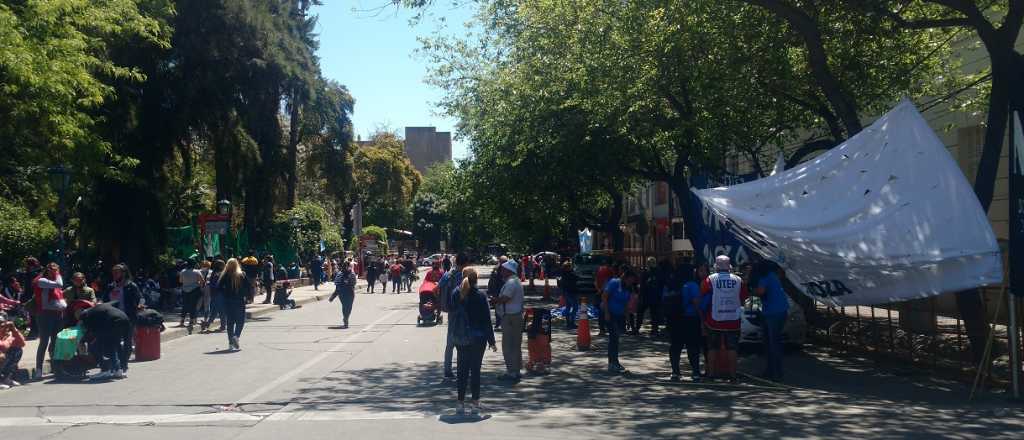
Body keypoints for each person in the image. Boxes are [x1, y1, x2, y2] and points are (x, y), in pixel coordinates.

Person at [450, 268, 497, 416]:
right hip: (478, 338)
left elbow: (451, 312)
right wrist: (492, 341)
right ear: (476, 279)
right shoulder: (481, 295)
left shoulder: (456, 293)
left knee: (461, 370)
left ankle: (460, 403)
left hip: (461, 336)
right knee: (475, 371)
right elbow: (486, 321)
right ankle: (475, 404)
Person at [700, 256, 748, 382]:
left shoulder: (710, 280)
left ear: (716, 266)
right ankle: (733, 376)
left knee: (712, 348)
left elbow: (702, 297)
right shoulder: (739, 280)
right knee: (732, 349)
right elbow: (743, 299)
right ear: (729, 266)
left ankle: (711, 375)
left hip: (713, 320)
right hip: (733, 320)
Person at [669, 264, 705, 382]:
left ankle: (675, 371)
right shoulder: (692, 285)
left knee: (675, 346)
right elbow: (696, 302)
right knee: (693, 346)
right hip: (690, 319)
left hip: (674, 319)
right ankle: (695, 372)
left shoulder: (672, 284)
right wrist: (702, 319)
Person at [78, 301, 131, 380]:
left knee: (95, 347)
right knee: (120, 344)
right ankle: (120, 368)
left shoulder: (88, 316)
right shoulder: (97, 309)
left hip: (113, 322)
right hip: (125, 319)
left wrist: (82, 341)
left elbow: (91, 332)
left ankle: (106, 370)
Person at [754, 261, 789, 381]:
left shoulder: (764, 277)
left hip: (773, 313)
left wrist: (751, 289)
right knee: (770, 342)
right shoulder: (772, 275)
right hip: (779, 311)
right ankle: (771, 370)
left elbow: (760, 292)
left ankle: (776, 373)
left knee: (772, 343)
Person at [32, 262, 65, 380]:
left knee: (56, 343)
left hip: (57, 315)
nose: (54, 273)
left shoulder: (52, 281)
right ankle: (38, 370)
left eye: (56, 270)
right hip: (44, 315)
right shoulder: (42, 281)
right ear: (47, 270)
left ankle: (57, 368)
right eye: (52, 270)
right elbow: (59, 284)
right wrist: (58, 274)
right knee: (44, 342)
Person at [494, 259, 524, 382]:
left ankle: (511, 371)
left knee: (508, 345)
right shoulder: (515, 281)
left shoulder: (511, 282)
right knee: (516, 345)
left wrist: (495, 300)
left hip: (510, 316)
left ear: (508, 270)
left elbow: (506, 298)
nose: (501, 271)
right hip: (515, 315)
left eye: (503, 269)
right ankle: (516, 370)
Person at [603, 268, 636, 374]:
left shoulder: (628, 288)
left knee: (616, 338)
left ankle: (615, 361)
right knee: (614, 337)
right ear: (625, 277)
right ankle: (612, 363)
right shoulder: (614, 283)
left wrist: (627, 319)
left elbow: (626, 304)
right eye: (630, 279)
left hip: (619, 315)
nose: (631, 282)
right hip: (610, 313)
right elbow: (605, 297)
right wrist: (607, 313)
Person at [220, 258, 249, 351]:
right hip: (239, 301)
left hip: (228, 301)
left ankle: (230, 344)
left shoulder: (224, 275)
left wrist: (225, 294)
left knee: (230, 322)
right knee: (240, 320)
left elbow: (219, 287)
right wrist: (247, 297)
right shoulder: (241, 275)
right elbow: (248, 287)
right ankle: (236, 336)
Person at [636, 258, 665, 337]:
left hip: (647, 296)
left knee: (641, 312)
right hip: (654, 296)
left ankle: (638, 328)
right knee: (654, 314)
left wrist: (640, 295)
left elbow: (642, 285)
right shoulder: (659, 272)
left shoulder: (646, 272)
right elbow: (662, 284)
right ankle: (654, 330)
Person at [178, 260, 205, 335]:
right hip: (194, 290)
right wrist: (199, 285)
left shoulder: (182, 271)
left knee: (185, 305)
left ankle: (182, 321)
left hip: (184, 290)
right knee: (193, 305)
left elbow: (180, 281)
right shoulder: (197, 272)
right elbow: (202, 281)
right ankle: (191, 321)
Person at [0, 316, 26, 389]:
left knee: (17, 350)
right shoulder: (7, 336)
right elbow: (3, 346)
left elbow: (22, 343)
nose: (2, 327)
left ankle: (5, 378)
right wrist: (9, 340)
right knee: (1, 355)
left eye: (3, 324)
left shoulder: (8, 333)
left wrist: (14, 329)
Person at [330, 260, 357, 328]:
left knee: (348, 307)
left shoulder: (352, 274)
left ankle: (346, 317)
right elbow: (337, 286)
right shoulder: (339, 274)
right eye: (345, 266)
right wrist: (333, 296)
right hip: (344, 293)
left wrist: (348, 281)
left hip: (349, 293)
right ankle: (346, 319)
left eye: (347, 266)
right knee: (346, 306)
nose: (346, 267)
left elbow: (354, 283)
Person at [203, 260, 226, 333]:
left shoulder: (213, 273)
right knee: (220, 310)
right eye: (223, 264)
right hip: (220, 294)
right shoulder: (220, 273)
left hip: (214, 293)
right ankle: (222, 326)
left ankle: (208, 323)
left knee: (215, 310)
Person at [594, 260, 615, 336]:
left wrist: (598, 290)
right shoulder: (609, 270)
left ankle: (602, 329)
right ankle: (608, 328)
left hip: (600, 292)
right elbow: (608, 281)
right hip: (606, 292)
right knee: (607, 310)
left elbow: (595, 281)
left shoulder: (598, 269)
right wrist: (603, 290)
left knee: (601, 311)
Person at [486, 257, 507, 330]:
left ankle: (503, 323)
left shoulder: (508, 270)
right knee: (498, 308)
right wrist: (490, 292)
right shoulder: (496, 270)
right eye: (503, 262)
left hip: (505, 291)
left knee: (505, 308)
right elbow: (491, 281)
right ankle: (498, 323)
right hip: (497, 291)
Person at [558, 261, 579, 330]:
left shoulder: (563, 274)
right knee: (575, 307)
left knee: (568, 307)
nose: (571, 267)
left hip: (566, 292)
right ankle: (571, 322)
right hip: (571, 292)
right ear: (568, 267)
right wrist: (574, 271)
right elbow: (577, 277)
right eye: (570, 266)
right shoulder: (570, 274)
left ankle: (568, 323)